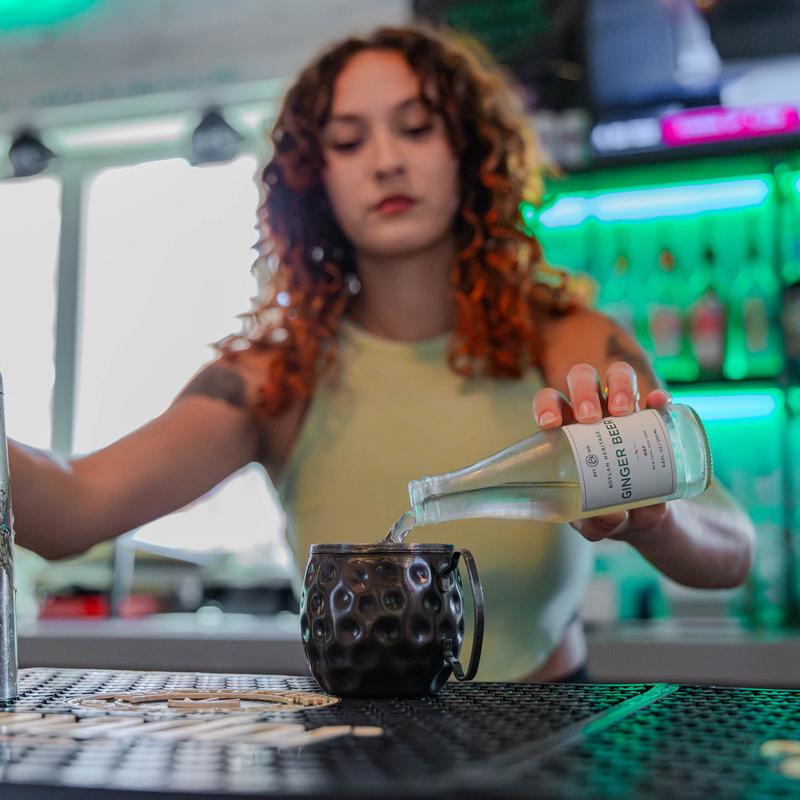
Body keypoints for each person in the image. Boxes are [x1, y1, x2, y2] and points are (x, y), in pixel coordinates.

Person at [9, 25, 754, 682]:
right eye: (348, 140)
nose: (387, 161)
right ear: (315, 179)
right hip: (356, 751)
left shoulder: (568, 340)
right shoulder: (276, 377)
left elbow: (731, 549)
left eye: (417, 128)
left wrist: (655, 520)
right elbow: (69, 511)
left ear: (468, 151)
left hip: (554, 744)